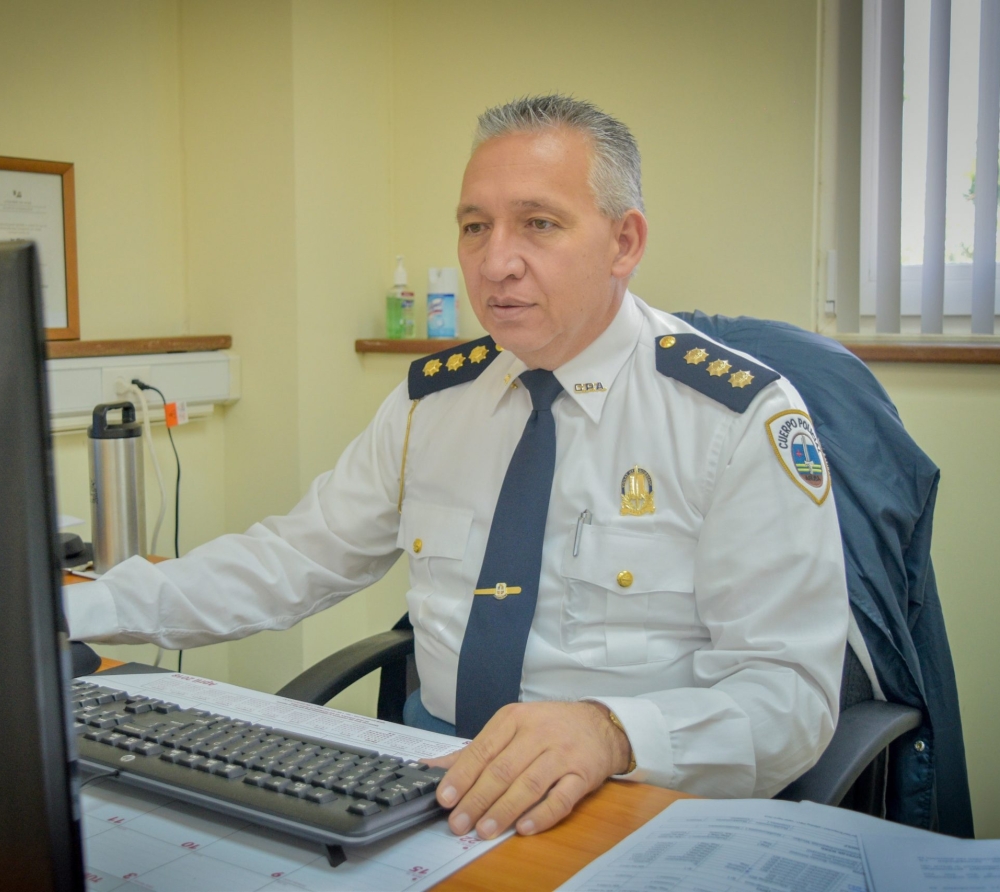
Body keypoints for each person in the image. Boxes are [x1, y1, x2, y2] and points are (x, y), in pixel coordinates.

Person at [66, 95, 849, 840]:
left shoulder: (733, 417)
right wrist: (63, 613)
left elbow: (791, 697)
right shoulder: (431, 404)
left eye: (538, 224)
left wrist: (615, 733)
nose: (496, 260)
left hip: (636, 803)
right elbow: (290, 561)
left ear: (625, 243)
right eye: (475, 227)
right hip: (430, 784)